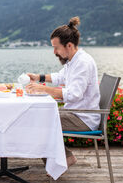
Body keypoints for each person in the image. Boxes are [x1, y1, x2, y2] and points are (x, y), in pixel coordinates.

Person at [26, 16, 100, 168]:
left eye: (56, 48)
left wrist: (43, 89)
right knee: (38, 116)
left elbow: (74, 95)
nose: (54, 52)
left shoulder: (83, 63)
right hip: (75, 113)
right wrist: (38, 77)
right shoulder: (74, 60)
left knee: (40, 120)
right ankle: (61, 158)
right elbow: (61, 77)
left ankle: (62, 160)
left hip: (83, 118)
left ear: (69, 45)